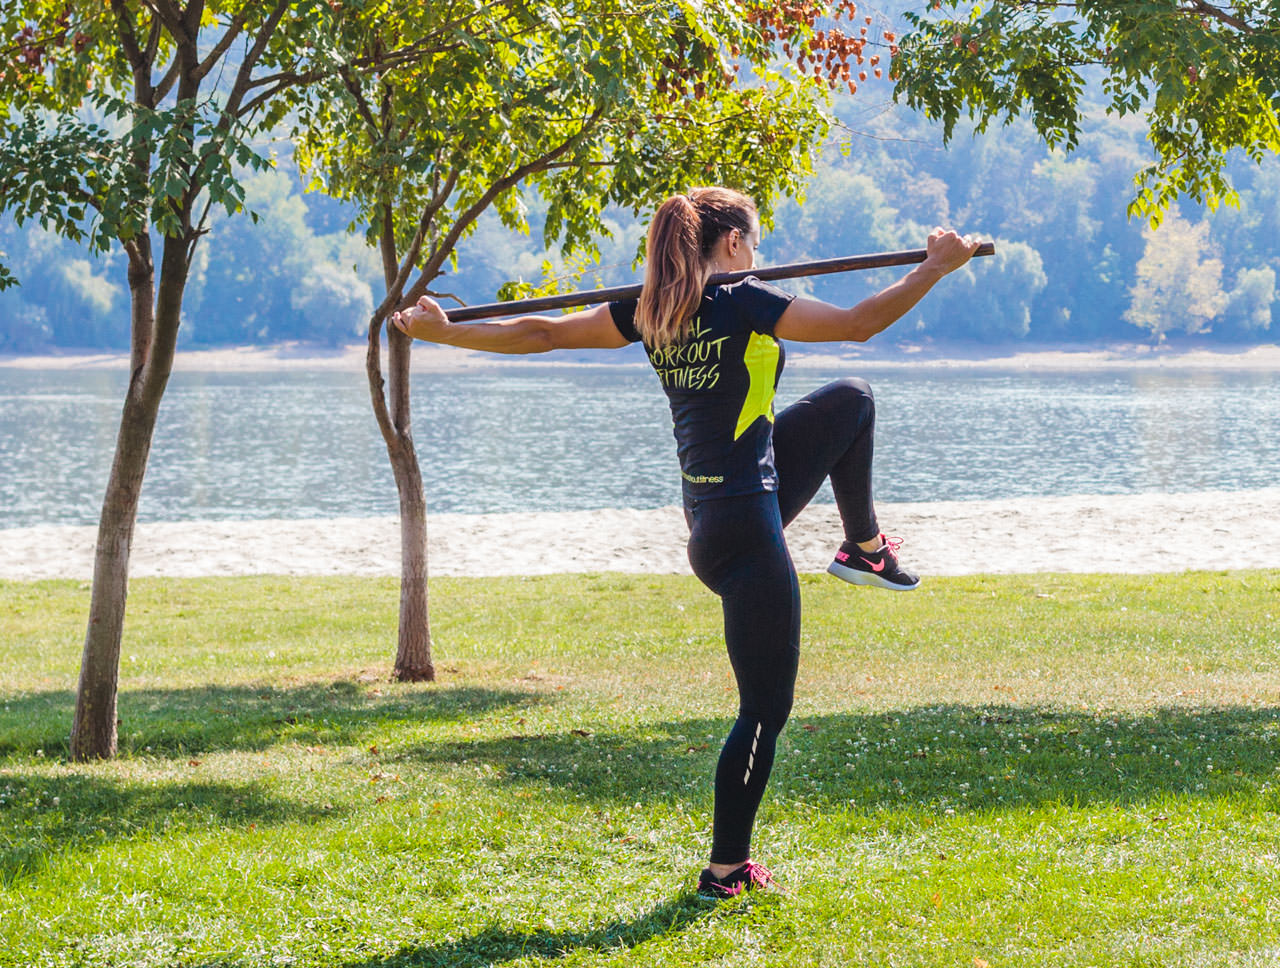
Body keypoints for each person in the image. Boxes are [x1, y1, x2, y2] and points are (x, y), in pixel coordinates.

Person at [393, 186, 980, 899]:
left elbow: (542, 333)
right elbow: (859, 322)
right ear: (730, 244)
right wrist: (934, 269)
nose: (757, 255)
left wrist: (444, 331)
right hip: (743, 532)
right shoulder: (744, 301)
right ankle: (725, 869)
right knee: (765, 712)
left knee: (852, 400)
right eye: (754, 242)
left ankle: (864, 547)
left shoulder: (651, 312)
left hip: (718, 517)